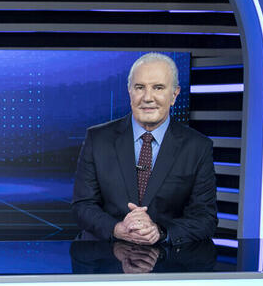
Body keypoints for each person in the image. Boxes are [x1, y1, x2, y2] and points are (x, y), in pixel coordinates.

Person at [72, 53, 217, 245]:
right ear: (129, 92)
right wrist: (118, 229)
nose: (148, 98)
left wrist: (160, 232)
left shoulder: (198, 147)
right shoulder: (97, 139)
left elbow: (205, 218)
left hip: (167, 260)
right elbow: (82, 206)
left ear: (174, 95)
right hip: (104, 255)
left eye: (158, 88)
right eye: (140, 88)